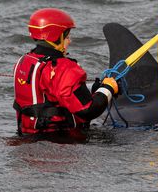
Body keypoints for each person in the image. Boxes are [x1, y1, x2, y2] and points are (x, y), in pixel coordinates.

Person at [12, 8, 119, 136]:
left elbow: (53, 94)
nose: (70, 41)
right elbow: (88, 111)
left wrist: (95, 91)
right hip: (60, 140)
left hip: (26, 135)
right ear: (56, 37)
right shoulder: (63, 69)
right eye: (67, 36)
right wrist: (108, 88)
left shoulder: (24, 61)